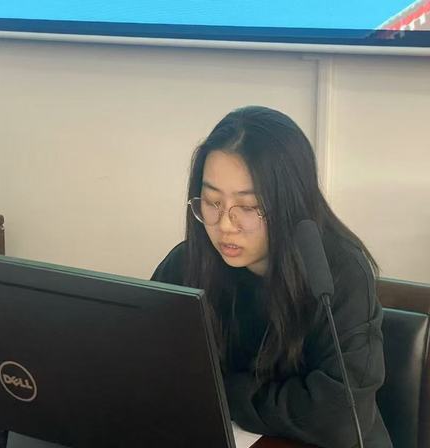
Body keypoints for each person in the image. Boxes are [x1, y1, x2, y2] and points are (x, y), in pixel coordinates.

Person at [151, 105, 392, 448]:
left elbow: (338, 418)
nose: (225, 225)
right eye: (212, 201)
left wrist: (225, 391)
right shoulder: (187, 263)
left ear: (290, 203)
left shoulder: (338, 274)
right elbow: (150, 369)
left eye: (248, 207)